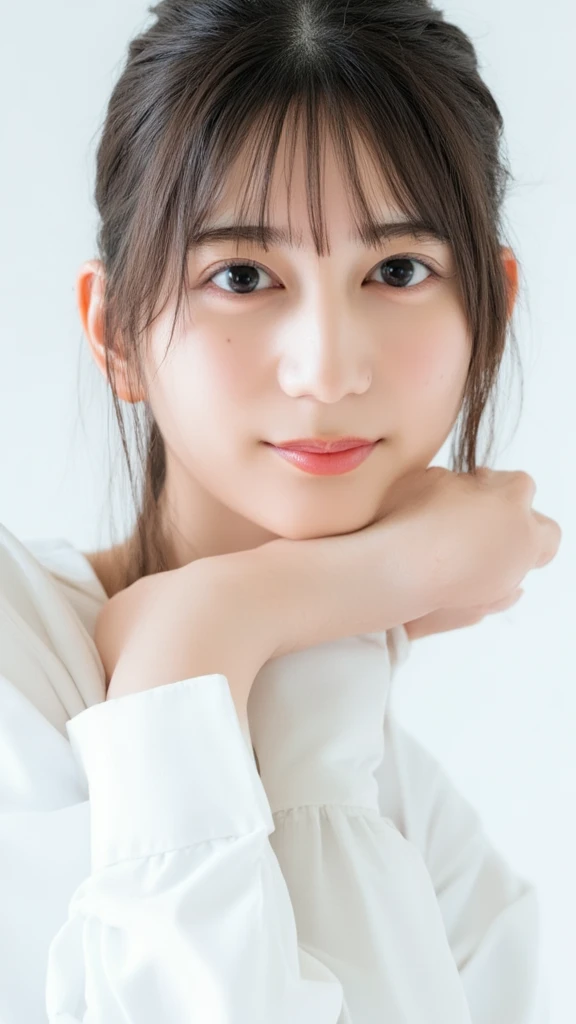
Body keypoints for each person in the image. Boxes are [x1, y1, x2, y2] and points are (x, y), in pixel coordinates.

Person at [0, 0, 562, 1021]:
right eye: (243, 275)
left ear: (487, 319)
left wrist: (245, 625)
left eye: (396, 270)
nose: (328, 367)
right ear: (115, 333)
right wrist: (347, 592)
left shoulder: (463, 889)